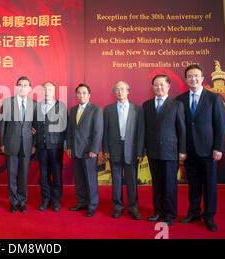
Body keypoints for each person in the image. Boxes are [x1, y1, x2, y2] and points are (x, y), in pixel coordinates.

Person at [176, 64, 225, 232]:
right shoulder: (180, 99)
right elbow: (180, 127)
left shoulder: (214, 98)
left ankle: (209, 216)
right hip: (189, 151)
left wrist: (218, 147)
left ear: (203, 78)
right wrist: (181, 149)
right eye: (190, 76)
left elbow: (220, 125)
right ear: (186, 80)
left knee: (210, 185)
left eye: (196, 76)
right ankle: (194, 213)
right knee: (194, 185)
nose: (193, 79)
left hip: (209, 150)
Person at [143, 74, 186, 226]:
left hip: (170, 152)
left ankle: (170, 214)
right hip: (153, 152)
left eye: (162, 85)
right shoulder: (147, 105)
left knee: (170, 185)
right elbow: (144, 130)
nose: (159, 87)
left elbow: (181, 129)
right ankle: (158, 211)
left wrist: (182, 150)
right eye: (156, 85)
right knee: (157, 184)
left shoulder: (176, 105)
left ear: (168, 86)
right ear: (152, 87)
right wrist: (143, 149)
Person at [103, 81, 144, 220]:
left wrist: (140, 152)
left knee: (132, 181)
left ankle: (133, 208)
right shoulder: (108, 109)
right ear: (114, 92)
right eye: (116, 90)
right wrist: (106, 149)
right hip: (114, 149)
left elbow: (140, 132)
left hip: (131, 150)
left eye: (122, 89)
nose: (119, 92)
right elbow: (105, 132)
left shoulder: (137, 109)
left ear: (128, 91)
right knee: (116, 181)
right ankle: (117, 207)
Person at [0, 76, 37, 213]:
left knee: (24, 174)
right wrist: (2, 143)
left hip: (27, 145)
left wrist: (34, 145)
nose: (22, 88)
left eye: (25, 85)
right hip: (11, 143)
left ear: (30, 88)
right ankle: (13, 202)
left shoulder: (34, 104)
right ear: (16, 87)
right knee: (12, 174)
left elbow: (36, 126)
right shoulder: (7, 103)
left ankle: (22, 201)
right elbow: (2, 125)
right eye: (20, 85)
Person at [66, 83, 103, 217]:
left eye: (84, 93)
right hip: (76, 150)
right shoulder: (74, 109)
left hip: (89, 151)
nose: (81, 95)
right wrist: (69, 146)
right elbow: (70, 130)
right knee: (80, 179)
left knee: (90, 180)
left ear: (89, 95)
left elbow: (98, 131)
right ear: (76, 95)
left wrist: (94, 149)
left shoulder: (96, 109)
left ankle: (92, 205)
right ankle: (81, 202)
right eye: (79, 93)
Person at [34, 81, 67, 212]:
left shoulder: (61, 106)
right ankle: (46, 200)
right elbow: (34, 127)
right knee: (43, 175)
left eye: (49, 89)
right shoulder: (37, 106)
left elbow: (66, 127)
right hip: (41, 147)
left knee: (57, 175)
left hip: (56, 146)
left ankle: (56, 201)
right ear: (42, 91)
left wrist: (65, 144)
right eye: (44, 89)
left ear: (54, 91)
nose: (47, 91)